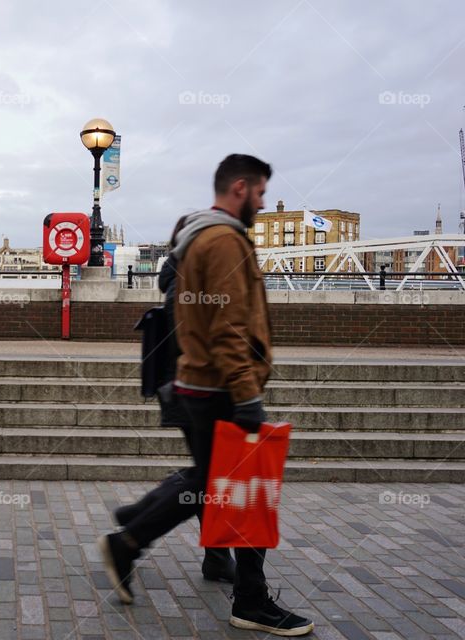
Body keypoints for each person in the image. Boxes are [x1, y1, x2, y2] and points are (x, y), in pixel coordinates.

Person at [98, 155, 313, 637]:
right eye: (260, 193)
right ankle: (248, 600)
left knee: (213, 484)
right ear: (240, 187)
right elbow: (230, 327)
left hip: (201, 383)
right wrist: (246, 396)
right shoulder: (223, 242)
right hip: (219, 387)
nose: (262, 201)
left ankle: (139, 537)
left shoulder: (200, 237)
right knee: (247, 491)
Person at [113, 214, 236, 585]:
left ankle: (212, 555)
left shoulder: (185, 274)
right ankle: (133, 534)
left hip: (193, 389)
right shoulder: (188, 278)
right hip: (195, 391)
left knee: (210, 474)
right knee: (209, 477)